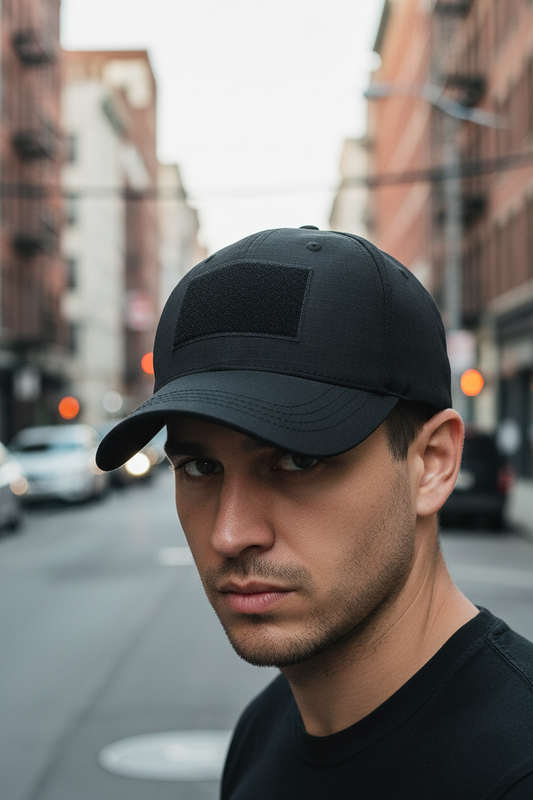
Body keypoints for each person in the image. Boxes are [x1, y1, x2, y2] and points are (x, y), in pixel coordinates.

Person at [97, 227, 533, 799]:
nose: (230, 535)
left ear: (432, 464)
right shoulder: (264, 730)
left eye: (298, 460)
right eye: (200, 468)